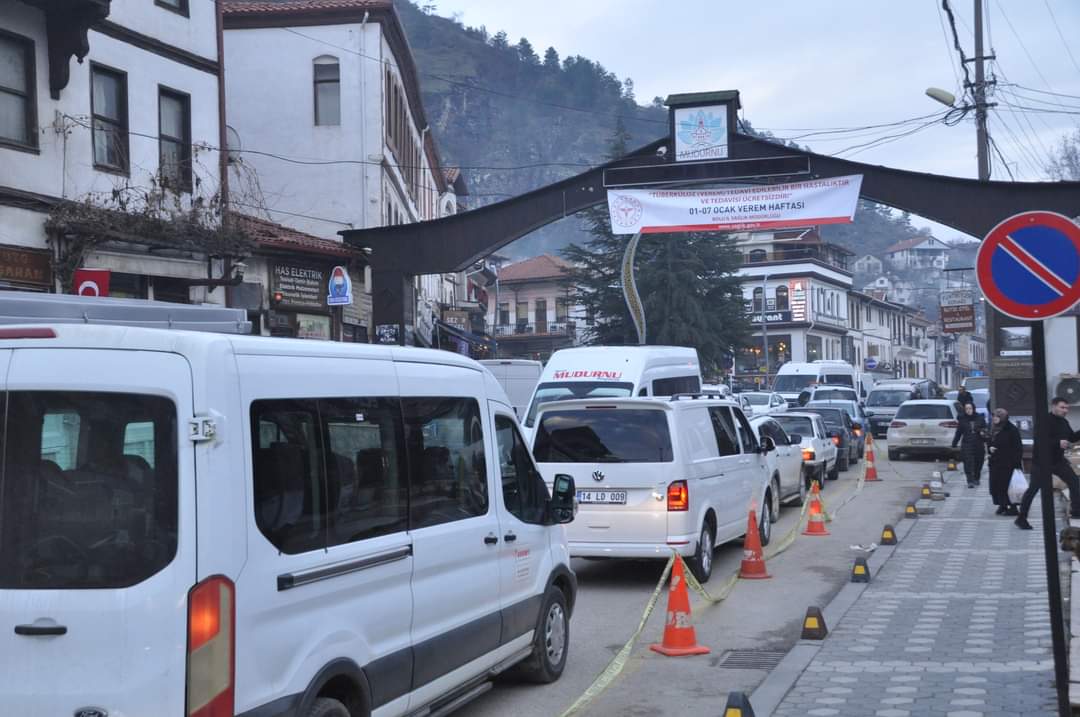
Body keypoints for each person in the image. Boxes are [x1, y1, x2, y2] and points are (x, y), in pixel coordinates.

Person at [1016, 397, 1080, 530]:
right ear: (1054, 407)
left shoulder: (1063, 421)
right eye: (1062, 407)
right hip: (1042, 462)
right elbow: (1040, 441)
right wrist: (1058, 443)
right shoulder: (1044, 421)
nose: (1065, 410)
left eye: (1067, 408)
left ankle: (1076, 512)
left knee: (1074, 481)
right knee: (1033, 490)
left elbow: (1071, 437)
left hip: (1058, 461)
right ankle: (1021, 518)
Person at [987, 408, 1022, 515]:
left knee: (1008, 486)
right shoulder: (993, 428)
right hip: (995, 462)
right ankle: (1002, 505)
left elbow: (1017, 447)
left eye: (997, 416)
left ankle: (1013, 507)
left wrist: (1016, 463)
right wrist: (990, 448)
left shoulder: (1011, 429)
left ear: (1003, 417)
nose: (994, 418)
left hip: (1008, 463)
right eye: (993, 416)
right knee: (996, 486)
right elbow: (989, 441)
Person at [952, 402, 988, 488]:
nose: (968, 410)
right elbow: (959, 432)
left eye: (970, 408)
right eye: (966, 409)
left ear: (973, 409)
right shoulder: (962, 419)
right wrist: (954, 443)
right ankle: (970, 480)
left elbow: (985, 429)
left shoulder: (979, 418)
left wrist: (982, 432)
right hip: (967, 444)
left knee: (979, 461)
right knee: (967, 462)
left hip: (978, 443)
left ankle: (976, 478)